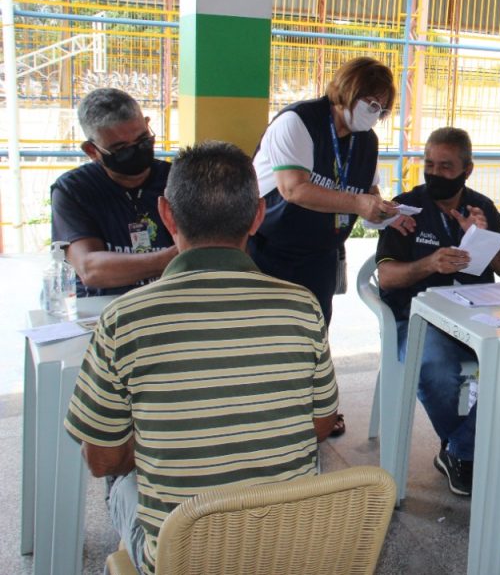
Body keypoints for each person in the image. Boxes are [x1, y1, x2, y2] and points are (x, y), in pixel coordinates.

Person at [64, 141, 340, 575]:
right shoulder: (302, 305)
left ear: (166, 214)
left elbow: (100, 459)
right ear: (257, 217)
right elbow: (321, 426)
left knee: (121, 489)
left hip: (183, 556)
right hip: (289, 548)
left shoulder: (123, 318)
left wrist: (169, 439)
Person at [376, 127, 500, 496]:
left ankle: (459, 449)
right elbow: (387, 277)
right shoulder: (405, 207)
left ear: (467, 170)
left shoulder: (481, 207)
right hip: (418, 319)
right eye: (429, 164)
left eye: (446, 166)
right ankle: (468, 448)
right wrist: (430, 265)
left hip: (474, 317)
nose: (435, 173)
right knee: (436, 368)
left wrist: (484, 239)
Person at [250, 56, 413, 328]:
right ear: (348, 89)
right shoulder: (299, 121)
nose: (375, 113)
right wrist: (358, 203)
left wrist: (386, 214)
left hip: (319, 258)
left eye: (381, 109)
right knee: (265, 333)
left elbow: (369, 195)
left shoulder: (367, 141)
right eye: (371, 103)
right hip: (268, 251)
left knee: (312, 333)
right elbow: (294, 188)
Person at [50, 88, 176, 296]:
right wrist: (179, 256)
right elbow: (91, 269)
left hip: (166, 303)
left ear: (147, 123)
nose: (136, 151)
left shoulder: (177, 179)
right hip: (100, 309)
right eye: (121, 149)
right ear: (92, 151)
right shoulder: (74, 190)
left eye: (143, 140)